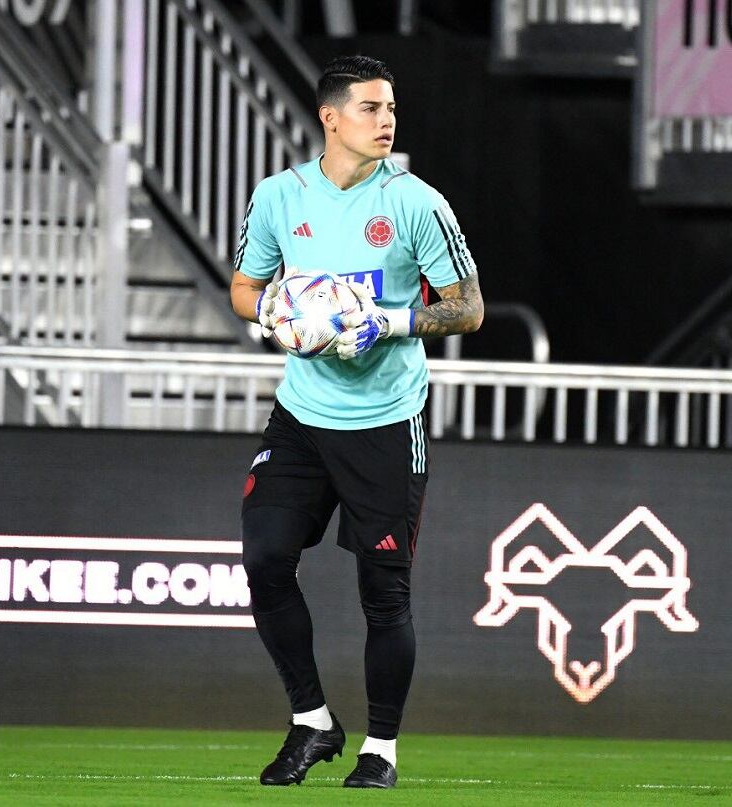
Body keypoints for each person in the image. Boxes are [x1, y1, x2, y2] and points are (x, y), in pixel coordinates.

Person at [229, 54, 483, 789]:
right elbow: (243, 288)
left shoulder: (416, 203)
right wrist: (279, 313)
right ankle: (312, 720)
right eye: (371, 108)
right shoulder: (279, 197)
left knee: (384, 593)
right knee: (265, 558)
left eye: (392, 108)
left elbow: (468, 308)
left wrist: (389, 320)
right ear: (330, 117)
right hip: (302, 418)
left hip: (385, 421)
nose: (386, 121)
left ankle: (382, 750)